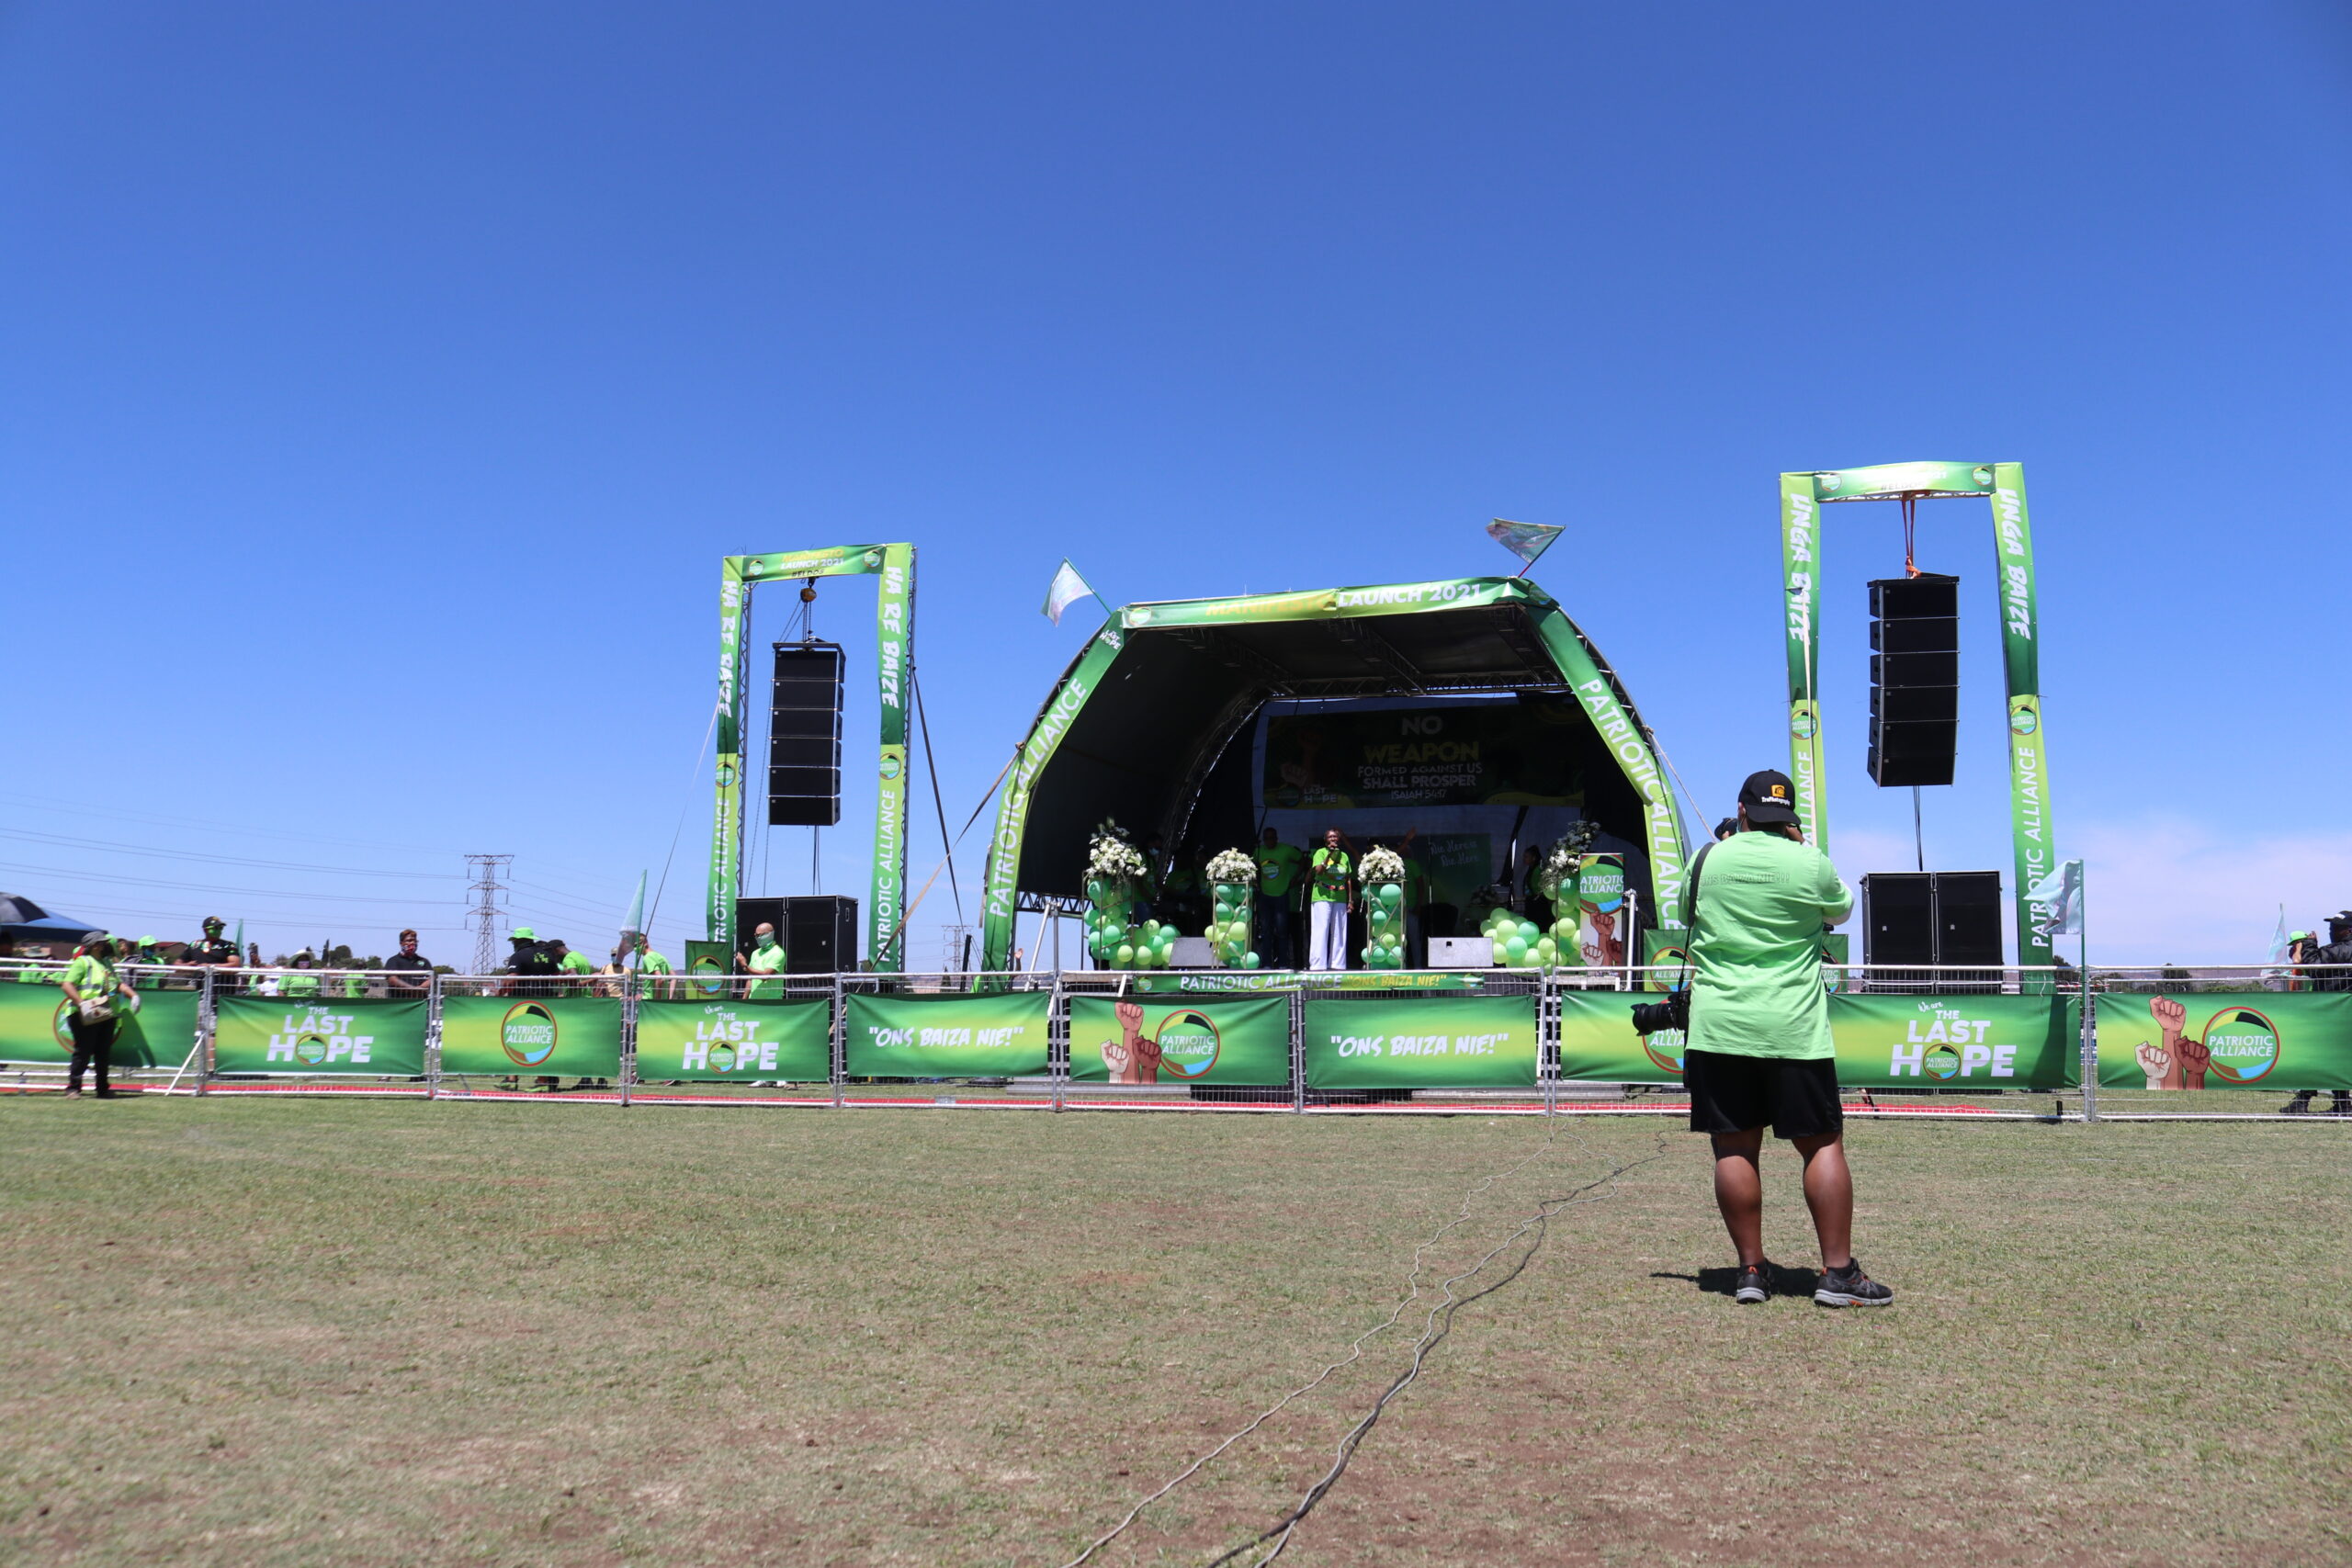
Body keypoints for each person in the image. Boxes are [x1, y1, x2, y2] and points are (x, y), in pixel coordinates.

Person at [1683, 770, 1889, 1308]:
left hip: (1720, 1027)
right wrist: (1802, 847)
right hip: (1794, 1027)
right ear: (1789, 818)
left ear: (1741, 810)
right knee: (1820, 1144)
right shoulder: (1809, 861)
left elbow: (1685, 914)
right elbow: (1841, 910)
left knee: (1733, 1146)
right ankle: (1838, 1274)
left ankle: (1751, 1271)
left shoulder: (1705, 860)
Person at [2281, 912, 2352, 1114]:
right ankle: (2341, 1104)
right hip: (2341, 1011)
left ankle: (2306, 1101)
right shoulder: (2338, 949)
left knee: (2318, 1056)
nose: (2332, 931)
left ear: (2349, 930)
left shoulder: (2340, 950)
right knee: (2333, 1058)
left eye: (2337, 928)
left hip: (2333, 1011)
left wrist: (2310, 945)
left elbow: (2314, 967)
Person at [60, 934, 133, 1099]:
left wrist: (133, 995)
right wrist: (81, 1004)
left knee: (103, 1052)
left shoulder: (106, 963)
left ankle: (102, 1089)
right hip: (84, 1014)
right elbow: (67, 985)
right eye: (103, 943)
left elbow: (118, 984)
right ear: (95, 945)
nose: (108, 946)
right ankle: (73, 1088)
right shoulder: (82, 962)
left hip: (105, 1013)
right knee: (83, 1050)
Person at [1253, 828, 1305, 970]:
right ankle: (1267, 964)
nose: (1269, 841)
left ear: (1277, 838)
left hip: (1281, 896)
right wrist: (1255, 881)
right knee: (1266, 931)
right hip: (1264, 896)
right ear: (1263, 840)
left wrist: (1295, 878)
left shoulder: (1286, 849)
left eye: (1272, 838)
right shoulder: (1259, 851)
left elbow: (1303, 860)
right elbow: (1252, 866)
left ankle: (1283, 964)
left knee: (1282, 932)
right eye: (1266, 838)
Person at [1307, 827, 1353, 971]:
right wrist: (1329, 855)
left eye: (1335, 837)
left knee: (1339, 931)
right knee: (1321, 930)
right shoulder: (1320, 853)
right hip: (1322, 895)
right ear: (1325, 840)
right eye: (1330, 837)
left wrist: (1350, 900)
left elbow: (1347, 879)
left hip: (1340, 896)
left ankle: (1337, 964)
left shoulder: (1344, 856)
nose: (1333, 839)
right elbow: (1319, 871)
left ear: (1339, 839)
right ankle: (1318, 965)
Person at [186, 917, 242, 998]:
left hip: (224, 995)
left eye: (221, 928)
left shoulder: (228, 945)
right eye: (215, 928)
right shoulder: (194, 945)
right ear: (205, 930)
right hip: (201, 994)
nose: (219, 931)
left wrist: (210, 967)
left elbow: (235, 965)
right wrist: (188, 965)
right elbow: (177, 964)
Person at [742, 922, 788, 999]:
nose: (757, 938)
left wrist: (745, 966)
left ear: (769, 934)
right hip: (753, 1000)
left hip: (772, 1001)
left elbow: (765, 976)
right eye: (755, 935)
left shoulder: (778, 952)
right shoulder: (755, 953)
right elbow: (750, 978)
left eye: (759, 935)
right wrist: (744, 999)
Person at [384, 929, 432, 1000]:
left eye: (415, 941)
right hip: (399, 1001)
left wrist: (421, 988)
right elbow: (392, 980)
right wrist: (413, 990)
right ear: (401, 943)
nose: (412, 943)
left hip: (420, 1002)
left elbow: (431, 979)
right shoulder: (393, 961)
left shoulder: (424, 961)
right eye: (409, 941)